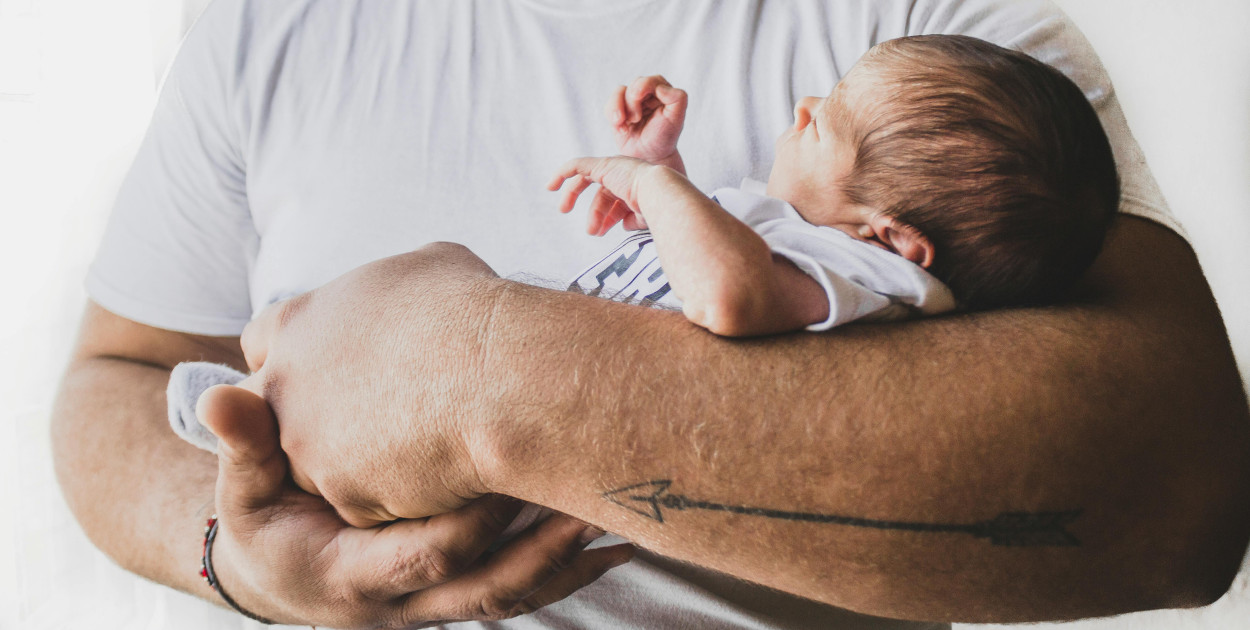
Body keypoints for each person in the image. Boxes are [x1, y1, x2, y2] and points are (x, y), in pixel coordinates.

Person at [53, 1, 1250, 628]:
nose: (801, 114)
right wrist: (234, 560)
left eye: (819, 122)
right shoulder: (269, 25)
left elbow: (1181, 493)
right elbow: (116, 369)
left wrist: (479, 373)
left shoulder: (951, 67)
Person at [550, 35, 1118, 336]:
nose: (804, 107)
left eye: (822, 125)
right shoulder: (813, 245)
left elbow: (724, 295)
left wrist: (650, 185)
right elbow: (693, 259)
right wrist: (665, 166)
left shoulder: (876, 279)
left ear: (888, 238)